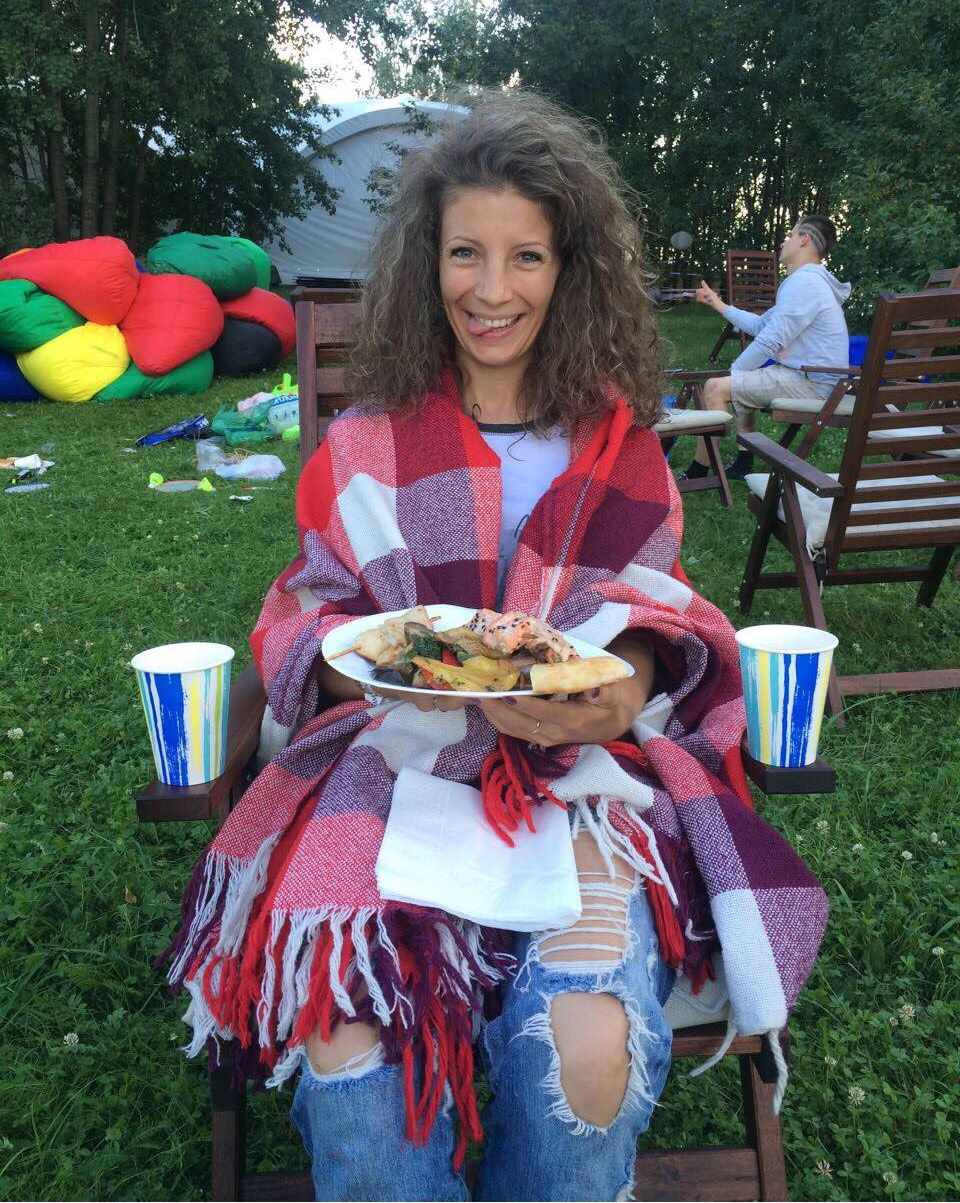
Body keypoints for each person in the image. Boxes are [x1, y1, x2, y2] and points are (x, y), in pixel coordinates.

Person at [163, 92, 828, 1203]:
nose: (491, 288)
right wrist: (376, 664)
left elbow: (655, 608)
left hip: (582, 776)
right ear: (427, 264)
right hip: (393, 763)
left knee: (588, 1055)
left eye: (527, 256)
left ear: (570, 270)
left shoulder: (619, 444)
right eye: (465, 252)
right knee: (350, 1050)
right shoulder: (367, 441)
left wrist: (619, 695)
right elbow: (313, 606)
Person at [680, 216, 851, 481]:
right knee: (742, 378)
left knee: (716, 387)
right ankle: (743, 462)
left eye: (791, 235)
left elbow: (771, 340)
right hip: (816, 378)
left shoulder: (804, 283)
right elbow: (761, 326)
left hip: (814, 383)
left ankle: (697, 473)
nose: (784, 242)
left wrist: (734, 371)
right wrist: (717, 303)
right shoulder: (810, 282)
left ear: (804, 240)